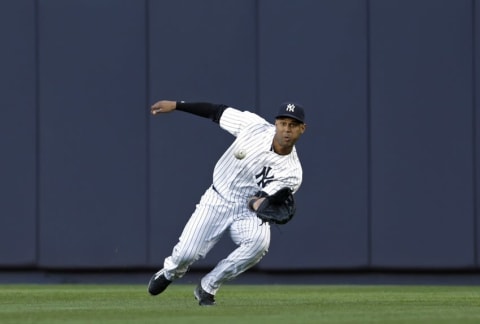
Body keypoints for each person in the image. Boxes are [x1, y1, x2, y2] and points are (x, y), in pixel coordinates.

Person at [148, 100, 306, 306]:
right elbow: (216, 112)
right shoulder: (254, 127)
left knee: (259, 242)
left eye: (293, 125)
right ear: (276, 123)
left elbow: (259, 200)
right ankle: (171, 272)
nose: (287, 129)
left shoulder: (292, 173)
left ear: (302, 129)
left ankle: (208, 286)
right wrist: (177, 105)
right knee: (185, 254)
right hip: (217, 197)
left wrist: (258, 205)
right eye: (283, 123)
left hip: (247, 210)